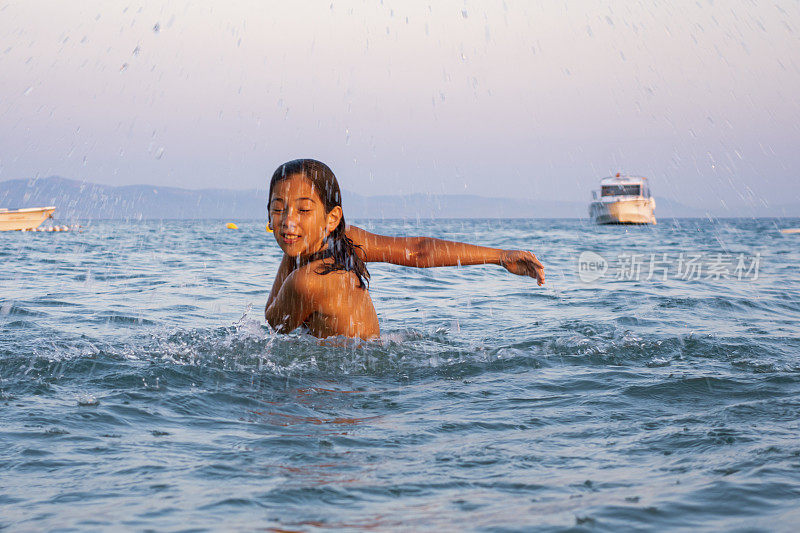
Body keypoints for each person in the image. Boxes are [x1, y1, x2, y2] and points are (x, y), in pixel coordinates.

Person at [265, 159, 545, 339]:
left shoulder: (305, 282)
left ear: (332, 218)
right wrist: (500, 256)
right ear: (268, 214)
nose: (288, 221)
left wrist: (292, 248)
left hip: (344, 388)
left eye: (303, 210)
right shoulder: (345, 240)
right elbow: (418, 250)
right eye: (278, 209)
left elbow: (276, 323)